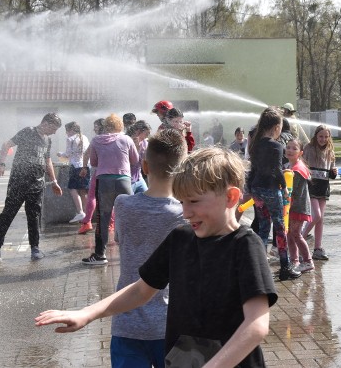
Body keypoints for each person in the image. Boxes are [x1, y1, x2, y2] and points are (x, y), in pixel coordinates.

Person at [36, 147, 278, 368]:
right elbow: (141, 290)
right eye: (182, 202)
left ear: (231, 197)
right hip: (186, 360)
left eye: (193, 201)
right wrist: (86, 313)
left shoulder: (245, 245)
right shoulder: (180, 239)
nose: (186, 212)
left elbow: (256, 326)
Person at [110, 128, 187, 367]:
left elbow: (119, 240)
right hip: (173, 324)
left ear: (145, 166)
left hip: (127, 320)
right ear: (182, 170)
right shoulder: (185, 214)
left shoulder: (122, 205)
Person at [0, 113, 63, 262]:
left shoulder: (47, 140)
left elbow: (47, 160)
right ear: (46, 123)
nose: (54, 132)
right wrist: (1, 163)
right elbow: (6, 144)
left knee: (34, 216)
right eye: (54, 128)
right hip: (19, 181)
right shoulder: (28, 131)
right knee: (8, 214)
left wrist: (54, 181)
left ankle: (35, 248)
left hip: (37, 183)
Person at [249, 106, 301, 281]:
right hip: (271, 190)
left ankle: (259, 268)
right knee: (279, 228)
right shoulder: (277, 146)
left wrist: (250, 189)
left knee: (263, 228)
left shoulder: (255, 144)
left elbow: (253, 169)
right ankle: (285, 267)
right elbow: (277, 170)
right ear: (277, 127)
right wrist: (284, 188)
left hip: (257, 190)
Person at [81, 113, 138, 265]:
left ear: (106, 126)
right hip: (123, 181)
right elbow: (135, 160)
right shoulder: (126, 139)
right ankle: (133, 253)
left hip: (104, 181)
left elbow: (93, 162)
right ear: (120, 126)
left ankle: (100, 255)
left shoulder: (96, 140)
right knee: (128, 216)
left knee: (103, 219)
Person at [301, 124, 337, 261]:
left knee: (320, 219)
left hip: (323, 187)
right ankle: (300, 238)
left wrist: (333, 173)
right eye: (321, 136)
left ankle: (317, 248)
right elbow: (302, 166)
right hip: (311, 186)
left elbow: (332, 173)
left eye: (326, 137)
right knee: (316, 215)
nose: (323, 139)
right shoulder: (308, 149)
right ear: (316, 136)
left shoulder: (330, 152)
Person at [284, 139, 314, 273]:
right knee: (290, 234)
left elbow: (292, 191)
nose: (290, 150)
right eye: (288, 147)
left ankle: (308, 261)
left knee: (296, 234)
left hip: (298, 207)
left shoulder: (297, 170)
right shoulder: (290, 166)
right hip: (292, 207)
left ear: (300, 153)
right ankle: (294, 260)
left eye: (294, 148)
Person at [58, 122, 90, 224]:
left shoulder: (70, 139)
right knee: (83, 191)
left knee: (72, 189)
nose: (66, 133)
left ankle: (80, 212)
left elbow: (67, 154)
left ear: (72, 130)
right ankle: (86, 215)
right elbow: (87, 152)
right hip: (85, 167)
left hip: (75, 167)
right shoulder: (84, 137)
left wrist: (60, 154)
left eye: (67, 130)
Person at [77, 118, 104, 235]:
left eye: (96, 126)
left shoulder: (96, 139)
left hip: (98, 173)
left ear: (102, 127)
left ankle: (87, 222)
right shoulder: (115, 138)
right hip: (113, 174)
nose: (94, 129)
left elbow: (87, 154)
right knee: (110, 198)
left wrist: (84, 167)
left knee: (92, 196)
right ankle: (111, 223)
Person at [125, 120, 151, 194]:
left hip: (139, 178)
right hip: (128, 179)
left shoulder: (144, 143)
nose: (147, 136)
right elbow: (130, 162)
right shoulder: (126, 141)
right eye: (146, 134)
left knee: (147, 198)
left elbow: (145, 161)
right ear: (138, 131)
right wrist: (137, 149)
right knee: (129, 202)